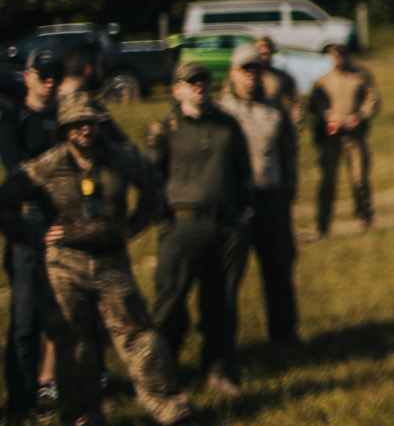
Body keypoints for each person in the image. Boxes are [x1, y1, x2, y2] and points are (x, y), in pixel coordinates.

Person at [0, 96, 196, 426]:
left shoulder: (121, 161)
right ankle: (83, 423)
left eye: (90, 122)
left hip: (111, 262)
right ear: (64, 130)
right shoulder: (46, 166)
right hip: (64, 265)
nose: (85, 130)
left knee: (139, 336)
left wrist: (134, 225)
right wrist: (34, 233)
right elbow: (4, 202)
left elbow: (154, 188)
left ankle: (170, 412)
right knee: (74, 344)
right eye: (76, 124)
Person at [147, 60, 256, 395]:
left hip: (225, 226)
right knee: (170, 302)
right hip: (182, 225)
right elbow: (150, 176)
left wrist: (243, 214)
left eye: (204, 81)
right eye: (191, 82)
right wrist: (163, 218)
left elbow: (243, 171)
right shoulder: (165, 128)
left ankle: (218, 367)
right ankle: (163, 373)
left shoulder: (228, 124)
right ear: (177, 88)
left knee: (221, 302)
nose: (200, 87)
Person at [217, 44, 301, 346]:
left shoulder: (275, 109)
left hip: (273, 198)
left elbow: (289, 153)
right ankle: (224, 344)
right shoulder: (222, 111)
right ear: (233, 74)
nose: (252, 76)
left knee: (279, 270)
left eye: (256, 69)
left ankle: (285, 335)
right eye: (245, 70)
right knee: (229, 277)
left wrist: (288, 191)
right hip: (236, 203)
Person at [3, 50, 61, 424]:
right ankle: (21, 403)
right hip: (29, 224)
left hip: (66, 220)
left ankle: (70, 389)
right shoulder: (13, 119)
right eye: (43, 75)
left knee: (70, 313)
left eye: (55, 74)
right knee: (25, 321)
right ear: (28, 78)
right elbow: (18, 170)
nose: (50, 81)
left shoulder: (69, 117)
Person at [308, 41, 379, 235]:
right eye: (335, 55)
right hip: (331, 137)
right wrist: (328, 116)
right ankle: (323, 223)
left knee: (359, 179)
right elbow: (314, 104)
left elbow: (372, 99)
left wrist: (360, 116)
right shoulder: (324, 80)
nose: (339, 59)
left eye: (342, 55)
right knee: (328, 181)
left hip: (354, 136)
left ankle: (366, 217)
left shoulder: (360, 76)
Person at [250, 34, 302, 123]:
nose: (264, 50)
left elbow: (297, 102)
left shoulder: (281, 76)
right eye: (260, 47)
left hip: (276, 125)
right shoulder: (247, 76)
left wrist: (293, 125)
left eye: (267, 47)